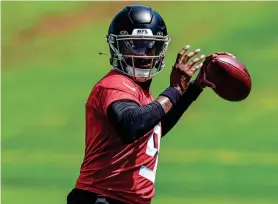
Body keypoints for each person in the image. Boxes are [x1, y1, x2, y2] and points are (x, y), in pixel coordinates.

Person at [67, 4, 232, 204]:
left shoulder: (141, 93)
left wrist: (193, 88)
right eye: (135, 45)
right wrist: (174, 90)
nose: (144, 54)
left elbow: (151, 130)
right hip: (101, 198)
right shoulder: (113, 84)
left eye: (150, 45)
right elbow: (131, 125)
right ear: (118, 47)